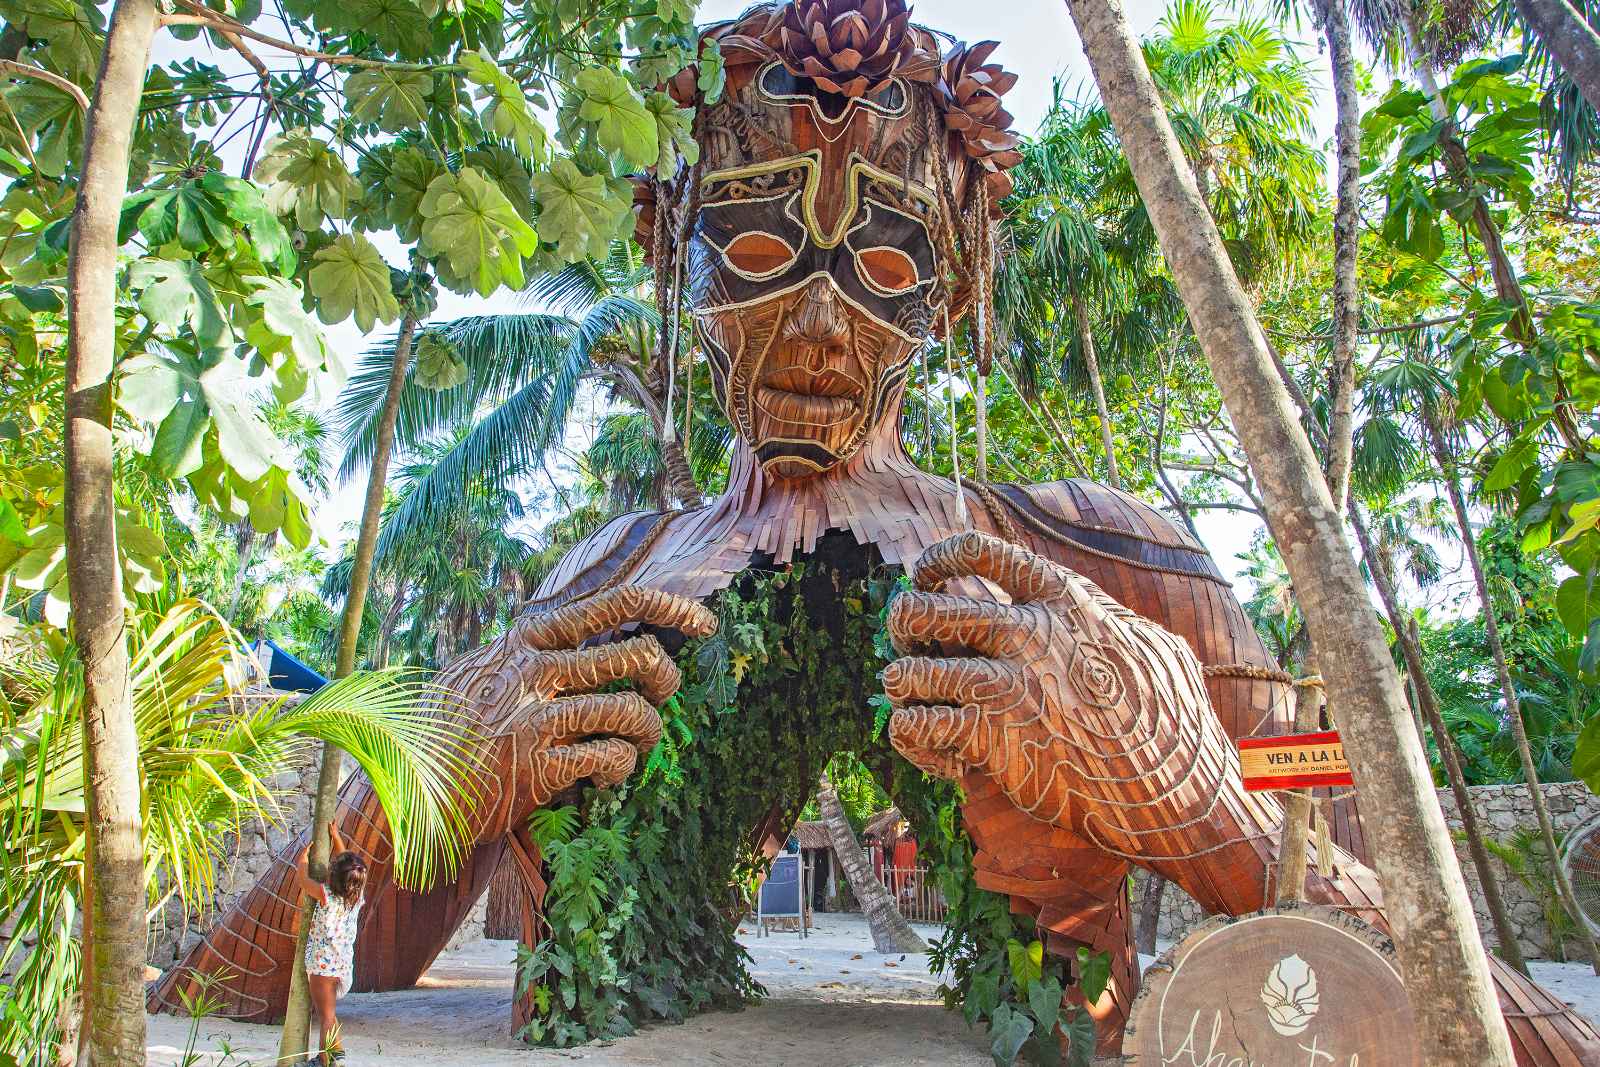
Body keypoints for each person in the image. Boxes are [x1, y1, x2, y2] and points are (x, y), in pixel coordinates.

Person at [295, 824, 366, 1065]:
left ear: (333, 878)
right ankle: (338, 1053)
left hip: (322, 966)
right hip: (341, 966)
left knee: (325, 1016)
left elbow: (303, 880)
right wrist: (336, 838)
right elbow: (348, 865)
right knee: (329, 1012)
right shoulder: (356, 899)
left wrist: (302, 860)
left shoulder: (325, 895)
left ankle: (323, 1061)